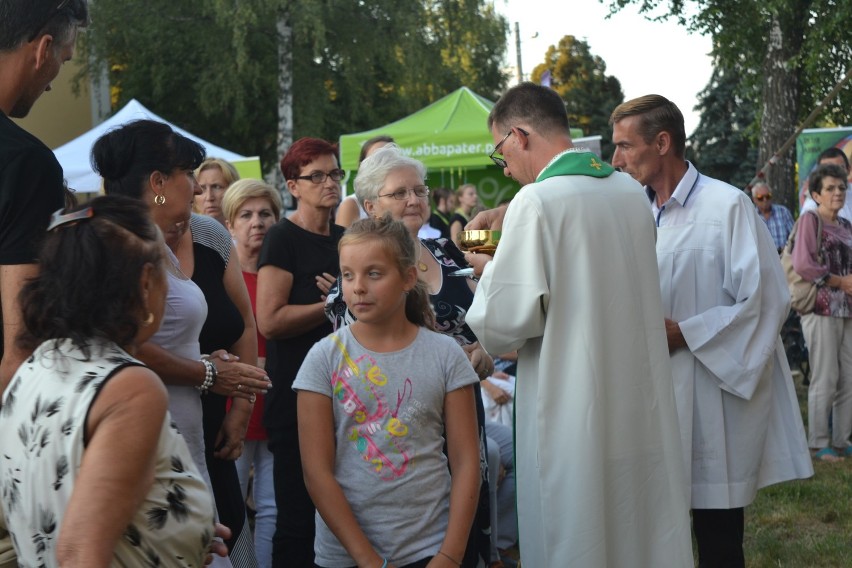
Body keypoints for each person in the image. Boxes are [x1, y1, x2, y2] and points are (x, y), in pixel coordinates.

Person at [464, 82, 693, 568]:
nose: (502, 165)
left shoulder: (538, 201)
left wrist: (488, 270)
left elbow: (503, 326)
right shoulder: (630, 194)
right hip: (634, 399)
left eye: (499, 150)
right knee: (635, 527)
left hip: (571, 406)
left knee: (577, 530)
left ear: (519, 136)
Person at [609, 94, 813, 567]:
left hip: (709, 394)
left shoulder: (727, 206)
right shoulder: (629, 214)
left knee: (717, 537)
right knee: (655, 532)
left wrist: (685, 333)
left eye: (624, 145)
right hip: (646, 395)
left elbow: (766, 299)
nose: (615, 159)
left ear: (661, 143)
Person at [0, 196, 218, 567]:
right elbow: (80, 552)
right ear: (146, 282)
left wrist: (178, 530)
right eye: (165, 267)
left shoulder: (37, 367)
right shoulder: (130, 387)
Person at [93, 119, 270, 568]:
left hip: (201, 430)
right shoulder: (119, 243)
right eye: (187, 174)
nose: (195, 187)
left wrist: (236, 398)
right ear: (156, 182)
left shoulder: (186, 237)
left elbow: (241, 322)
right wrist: (209, 372)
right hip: (151, 434)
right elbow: (122, 342)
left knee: (224, 541)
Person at [325, 144, 496, 567]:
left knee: (467, 528)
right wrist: (454, 362)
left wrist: (486, 351)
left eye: (419, 190)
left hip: (464, 417)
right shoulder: (359, 277)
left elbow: (484, 325)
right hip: (405, 428)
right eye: (399, 193)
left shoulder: (443, 252)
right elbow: (365, 366)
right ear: (369, 205)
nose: (414, 200)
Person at [295, 215, 480, 568]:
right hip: (348, 556)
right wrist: (368, 559)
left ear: (409, 277)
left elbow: (466, 460)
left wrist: (451, 555)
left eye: (374, 273)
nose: (358, 287)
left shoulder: (445, 355)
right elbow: (316, 473)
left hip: (430, 549)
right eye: (347, 275)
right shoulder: (323, 358)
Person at [0, 1, 89, 564]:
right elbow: (20, 340)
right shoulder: (24, 163)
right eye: (64, 56)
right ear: (41, 49)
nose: (58, 77)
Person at [256, 137, 343, 567]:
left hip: (347, 397)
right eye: (317, 176)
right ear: (294, 185)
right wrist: (329, 306)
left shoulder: (348, 238)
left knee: (343, 516)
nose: (330, 183)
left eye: (334, 173)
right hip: (295, 397)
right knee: (297, 520)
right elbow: (269, 320)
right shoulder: (282, 238)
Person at [222, 179, 283, 567]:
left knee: (272, 505)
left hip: (277, 404)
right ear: (229, 224)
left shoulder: (283, 278)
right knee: (229, 505)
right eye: (245, 215)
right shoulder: (220, 277)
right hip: (233, 407)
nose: (256, 222)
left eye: (265, 214)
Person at [791, 164, 852, 462]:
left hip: (847, 311)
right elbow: (803, 264)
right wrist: (841, 282)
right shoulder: (810, 221)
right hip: (821, 308)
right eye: (830, 188)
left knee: (848, 378)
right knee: (825, 377)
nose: (838, 192)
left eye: (841, 187)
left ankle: (842, 439)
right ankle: (818, 443)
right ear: (816, 194)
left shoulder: (846, 226)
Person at [335, 135, 394, 228]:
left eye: (389, 159)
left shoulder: (406, 200)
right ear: (361, 166)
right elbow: (343, 242)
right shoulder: (351, 204)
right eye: (376, 159)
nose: (383, 165)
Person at [801, 148, 851, 219]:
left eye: (839, 168)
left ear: (849, 170)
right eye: (827, 170)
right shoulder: (812, 204)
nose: (834, 173)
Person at [195, 157, 241, 225]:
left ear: (233, 190)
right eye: (202, 188)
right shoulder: (183, 233)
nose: (209, 197)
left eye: (216, 187)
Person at [752, 181, 794, 252]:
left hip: (783, 258)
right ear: (754, 199)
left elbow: (794, 237)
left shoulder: (783, 212)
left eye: (768, 196)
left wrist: (787, 248)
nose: (765, 200)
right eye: (760, 198)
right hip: (761, 260)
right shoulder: (752, 216)